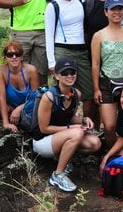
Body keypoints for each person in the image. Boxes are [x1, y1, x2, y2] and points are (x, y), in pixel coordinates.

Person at [30, 57, 102, 193]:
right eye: (65, 73)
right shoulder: (49, 97)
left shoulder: (75, 94)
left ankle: (64, 159)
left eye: (72, 72)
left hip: (60, 138)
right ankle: (57, 175)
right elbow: (43, 128)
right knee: (77, 133)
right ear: (56, 75)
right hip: (42, 141)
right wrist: (71, 128)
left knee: (95, 143)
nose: (69, 76)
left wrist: (84, 120)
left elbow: (72, 118)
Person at [45, 0, 95, 124]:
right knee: (63, 91)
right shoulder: (53, 6)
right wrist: (51, 61)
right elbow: (49, 34)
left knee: (88, 91)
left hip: (81, 50)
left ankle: (88, 125)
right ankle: (60, 124)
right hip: (63, 49)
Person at [91, 0, 123, 146]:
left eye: (120, 9)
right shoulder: (98, 36)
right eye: (113, 9)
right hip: (107, 82)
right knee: (110, 126)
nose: (117, 12)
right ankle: (112, 152)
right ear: (106, 12)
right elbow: (96, 64)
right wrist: (96, 88)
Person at [0, 41, 40, 133]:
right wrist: (5, 123)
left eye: (17, 54)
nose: (14, 57)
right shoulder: (1, 70)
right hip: (11, 106)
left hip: (29, 105)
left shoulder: (31, 70)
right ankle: (13, 119)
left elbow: (36, 97)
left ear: (22, 57)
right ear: (5, 57)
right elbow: (1, 98)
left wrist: (19, 109)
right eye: (10, 55)